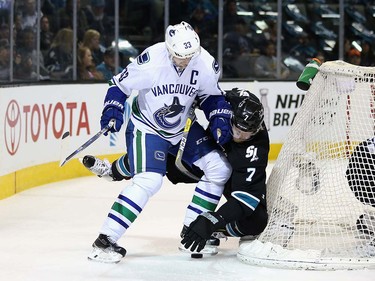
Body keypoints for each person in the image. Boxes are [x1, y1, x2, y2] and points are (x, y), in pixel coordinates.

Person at [87, 21, 233, 263]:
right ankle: (105, 240)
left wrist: (218, 117)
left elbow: (211, 96)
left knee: (220, 168)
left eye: (190, 56)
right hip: (147, 127)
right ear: (168, 49)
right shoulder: (151, 61)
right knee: (149, 180)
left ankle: (192, 232)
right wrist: (112, 109)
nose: (185, 61)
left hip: (182, 127)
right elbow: (119, 86)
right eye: (180, 56)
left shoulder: (205, 62)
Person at [83, 87, 269, 255]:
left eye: (247, 134)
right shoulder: (235, 101)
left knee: (256, 221)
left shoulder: (255, 151)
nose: (240, 137)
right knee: (157, 159)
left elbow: (245, 200)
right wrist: (191, 102)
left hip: (233, 175)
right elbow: (209, 95)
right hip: (209, 153)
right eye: (236, 129)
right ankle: (112, 171)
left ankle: (200, 230)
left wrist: (212, 221)